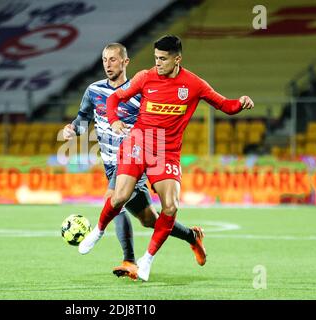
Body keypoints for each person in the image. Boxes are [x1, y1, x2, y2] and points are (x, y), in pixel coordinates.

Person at [79, 35, 254, 281]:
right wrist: (115, 120)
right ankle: (97, 231)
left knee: (170, 207)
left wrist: (241, 103)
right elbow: (115, 98)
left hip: (166, 151)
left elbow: (224, 105)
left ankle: (146, 260)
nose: (158, 64)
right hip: (138, 143)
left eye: (162, 59)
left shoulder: (194, 84)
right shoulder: (145, 77)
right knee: (118, 196)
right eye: (155, 58)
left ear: (177, 59)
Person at [63, 43, 205, 279]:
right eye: (104, 60)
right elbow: (82, 119)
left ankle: (129, 260)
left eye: (113, 60)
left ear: (125, 62)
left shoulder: (142, 91)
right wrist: (71, 130)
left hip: (136, 158)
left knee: (114, 200)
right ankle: (192, 236)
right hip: (110, 164)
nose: (108, 65)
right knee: (149, 219)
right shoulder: (94, 91)